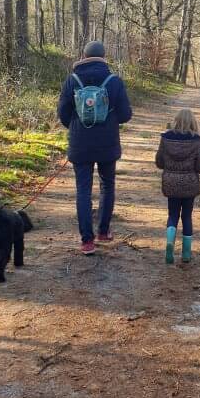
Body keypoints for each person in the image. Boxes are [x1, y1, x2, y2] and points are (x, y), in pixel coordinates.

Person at [58, 41, 132, 255]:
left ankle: (86, 241)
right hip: (107, 143)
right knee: (107, 185)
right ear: (103, 56)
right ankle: (103, 231)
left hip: (80, 143)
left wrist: (77, 125)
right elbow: (126, 115)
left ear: (84, 55)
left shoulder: (72, 80)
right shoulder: (114, 80)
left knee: (83, 190)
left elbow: (63, 114)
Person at [155, 108, 200, 264]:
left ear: (175, 121)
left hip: (171, 183)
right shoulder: (196, 141)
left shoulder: (165, 139)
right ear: (193, 122)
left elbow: (159, 162)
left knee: (172, 215)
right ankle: (186, 253)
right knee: (186, 216)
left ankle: (170, 243)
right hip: (189, 185)